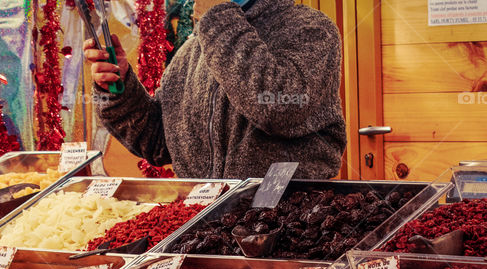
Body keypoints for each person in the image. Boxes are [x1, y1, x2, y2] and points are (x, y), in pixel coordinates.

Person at [83, 0, 345, 179]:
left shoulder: (310, 29)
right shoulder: (191, 51)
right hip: (205, 228)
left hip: (288, 228)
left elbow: (277, 108)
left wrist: (218, 16)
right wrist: (119, 88)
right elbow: (158, 143)